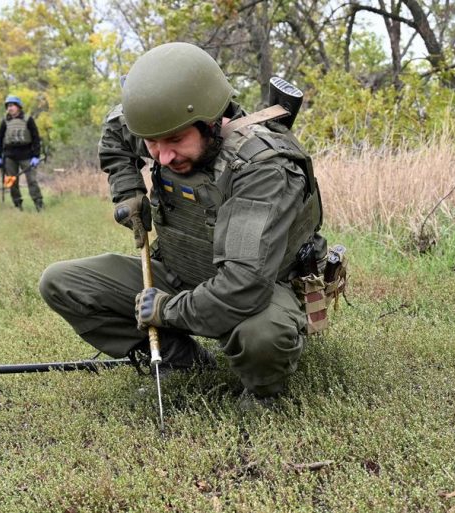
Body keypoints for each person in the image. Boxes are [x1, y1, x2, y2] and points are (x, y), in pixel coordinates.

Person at [39, 42, 328, 400]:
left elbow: (243, 285)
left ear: (211, 121)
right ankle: (183, 362)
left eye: (175, 140)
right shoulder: (160, 125)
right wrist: (128, 190)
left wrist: (165, 310)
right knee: (63, 283)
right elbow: (115, 133)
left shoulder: (261, 167)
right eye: (152, 144)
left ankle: (263, 393)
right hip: (179, 271)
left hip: (259, 289)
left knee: (263, 336)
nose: (164, 155)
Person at [0, 95, 44, 212]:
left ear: (18, 107)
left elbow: (36, 138)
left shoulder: (28, 120)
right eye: (8, 106)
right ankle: (18, 205)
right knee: (12, 181)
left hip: (26, 155)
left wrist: (36, 156)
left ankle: (39, 204)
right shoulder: (5, 121)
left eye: (12, 106)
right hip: (10, 156)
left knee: (32, 180)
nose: (10, 108)